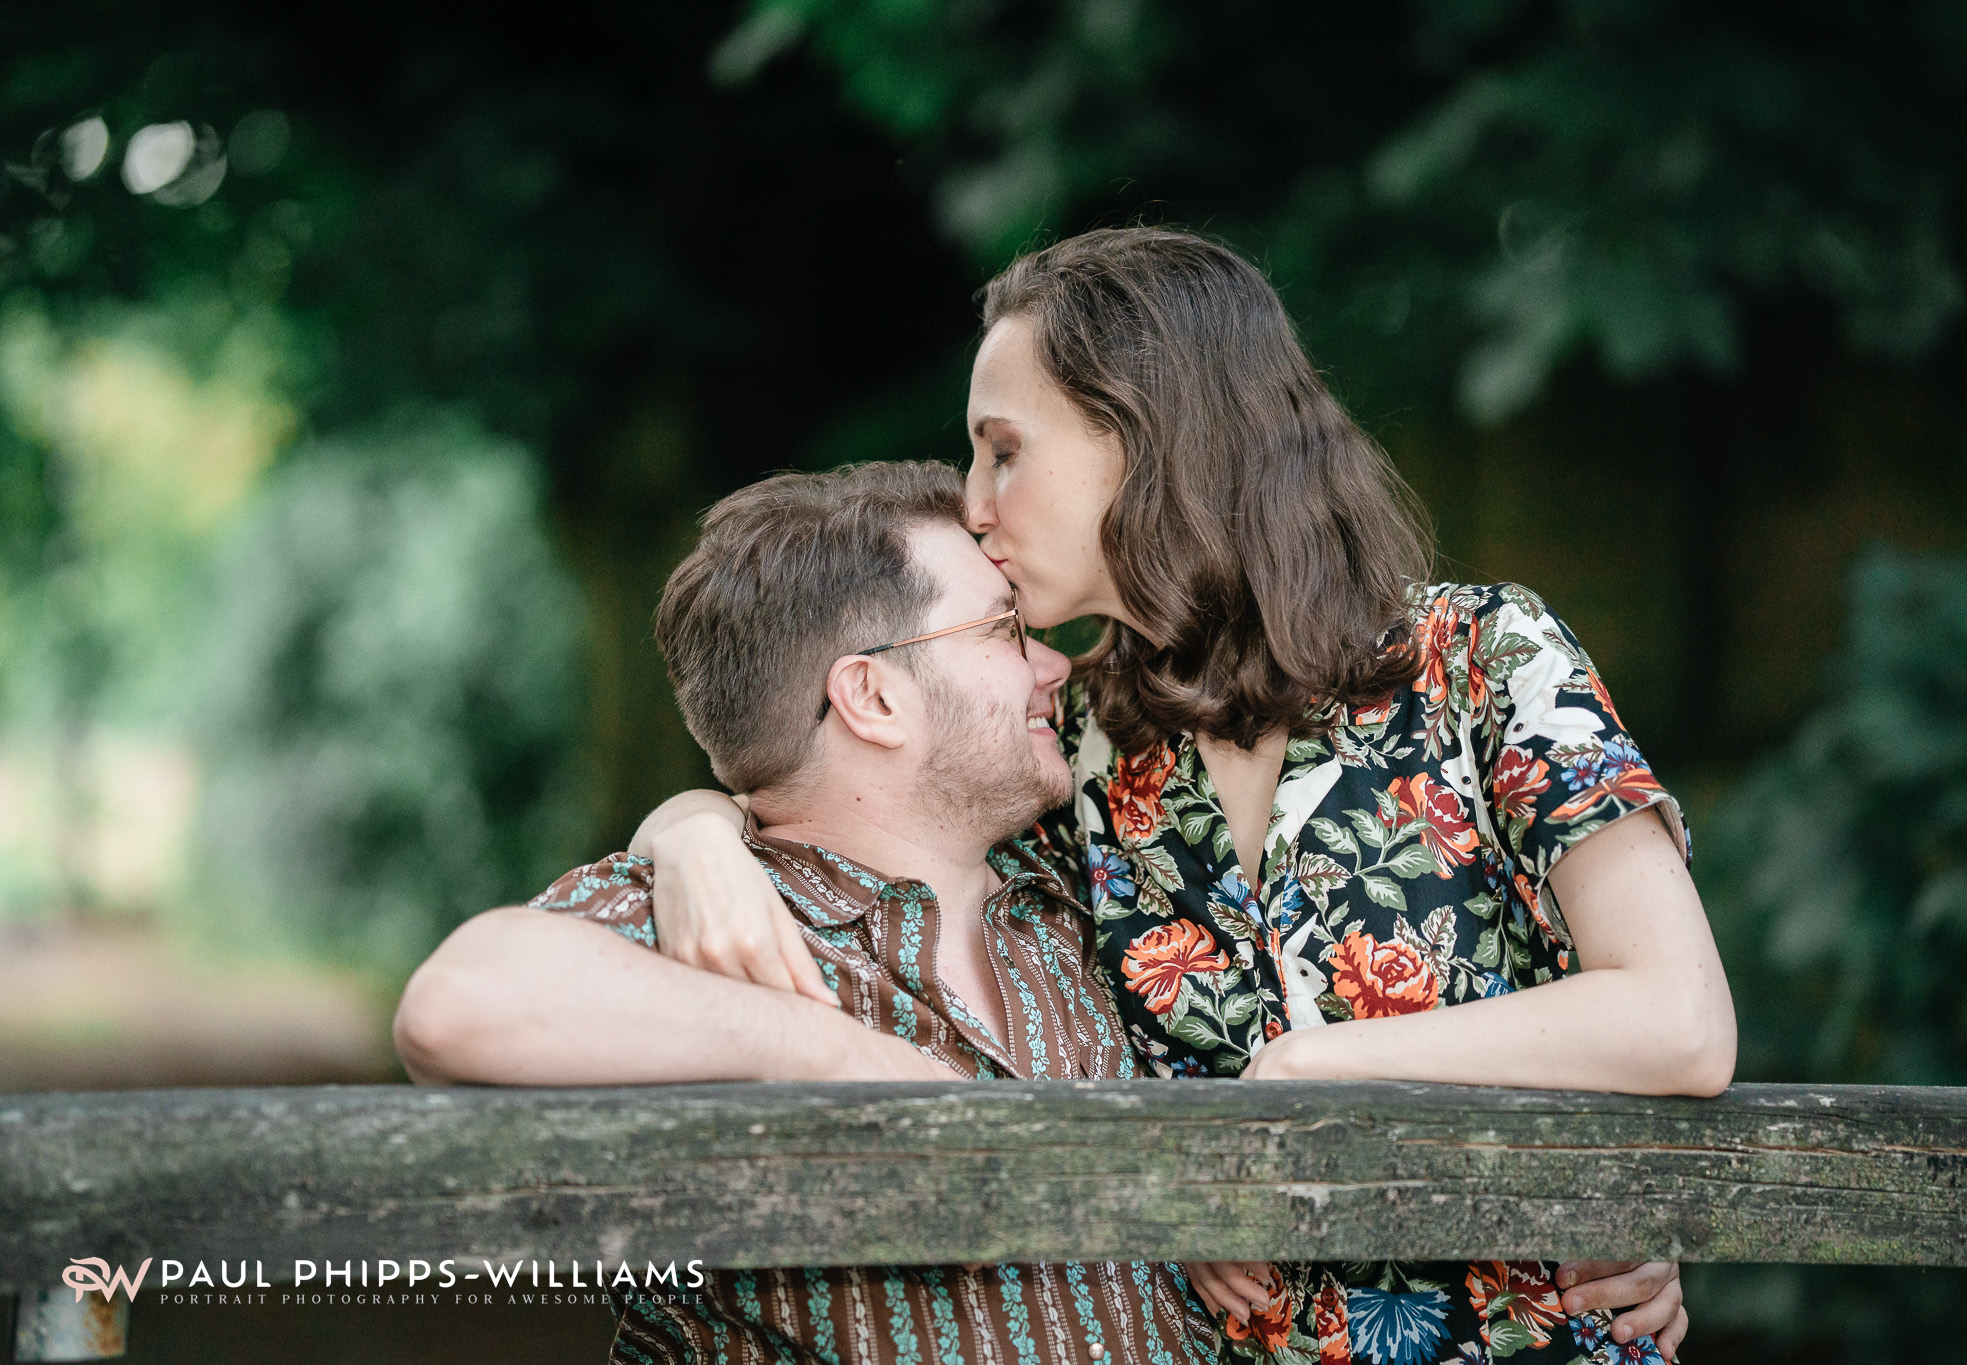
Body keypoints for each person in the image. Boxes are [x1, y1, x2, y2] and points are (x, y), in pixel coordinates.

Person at [631, 228, 1734, 1364]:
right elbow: (837, 801)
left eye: (1003, 452)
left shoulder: (1482, 660)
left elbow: (1681, 1022)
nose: (973, 504)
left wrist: (1307, 1066)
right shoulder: (1071, 745)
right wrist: (692, 833)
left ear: (1142, 440)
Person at [393, 460, 1221, 1364]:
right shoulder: (724, 923)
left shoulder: (1080, 882)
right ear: (872, 696)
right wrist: (830, 1052)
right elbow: (456, 1002)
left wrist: (689, 822)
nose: (1054, 664)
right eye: (1006, 629)